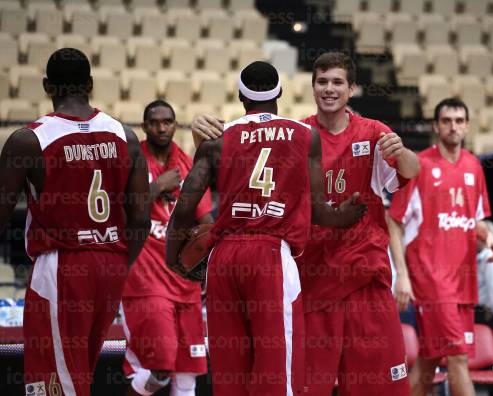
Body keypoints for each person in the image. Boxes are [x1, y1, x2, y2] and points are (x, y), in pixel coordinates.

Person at [190, 52, 419, 395]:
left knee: (380, 388)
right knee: (306, 388)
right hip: (312, 282)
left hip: (364, 280)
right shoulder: (295, 134)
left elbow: (411, 172)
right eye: (322, 82)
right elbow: (235, 168)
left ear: (352, 89)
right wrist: (198, 135)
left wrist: (403, 152)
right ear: (312, 88)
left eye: (337, 82)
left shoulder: (374, 133)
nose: (329, 89)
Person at [166, 61, 367, 396]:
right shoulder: (306, 136)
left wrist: (172, 257)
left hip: (223, 256)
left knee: (230, 372)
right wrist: (344, 216)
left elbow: (185, 206)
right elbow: (319, 210)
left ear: (241, 96)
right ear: (280, 94)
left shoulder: (218, 140)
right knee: (277, 372)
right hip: (271, 255)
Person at [0, 48, 150, 396]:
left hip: (63, 266)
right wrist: (119, 264)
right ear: (91, 84)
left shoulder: (29, 139)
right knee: (79, 372)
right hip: (111, 263)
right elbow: (141, 217)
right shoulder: (125, 136)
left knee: (52, 384)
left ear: (47, 85)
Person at [387, 97, 493, 396]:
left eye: (459, 121)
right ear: (436, 126)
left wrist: (488, 236)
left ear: (467, 126)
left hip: (464, 280)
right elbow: (394, 221)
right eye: (447, 121)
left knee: (429, 359)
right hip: (432, 279)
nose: (453, 127)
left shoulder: (474, 166)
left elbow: (474, 219)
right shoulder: (419, 165)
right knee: (458, 357)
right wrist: (403, 275)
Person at [121, 100, 213, 396]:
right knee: (157, 370)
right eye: (155, 122)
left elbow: (206, 219)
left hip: (184, 282)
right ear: (145, 126)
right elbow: (119, 215)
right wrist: (156, 187)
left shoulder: (188, 164)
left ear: (175, 125)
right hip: (146, 282)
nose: (162, 128)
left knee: (187, 376)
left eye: (167, 122)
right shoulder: (132, 161)